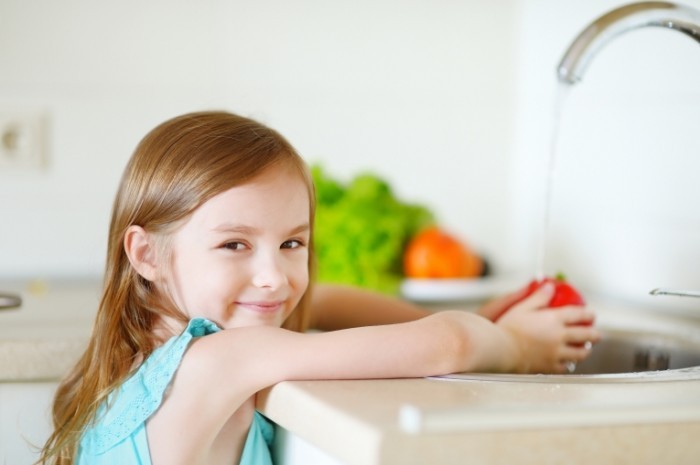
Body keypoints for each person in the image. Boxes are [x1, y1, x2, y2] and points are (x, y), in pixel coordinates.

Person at [37, 111, 600, 465]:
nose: (275, 277)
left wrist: (481, 316)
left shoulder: (161, 350)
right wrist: (517, 347)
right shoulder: (217, 359)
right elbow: (446, 346)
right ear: (147, 254)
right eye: (234, 244)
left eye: (292, 243)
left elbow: (324, 298)